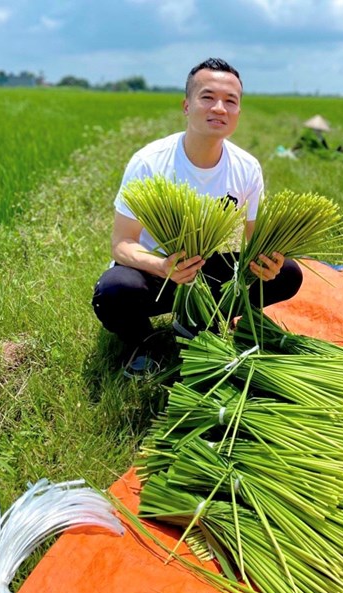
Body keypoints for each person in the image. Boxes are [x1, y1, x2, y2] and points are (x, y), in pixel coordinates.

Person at [91, 58, 303, 376]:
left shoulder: (246, 167)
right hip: (156, 272)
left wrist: (267, 262)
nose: (219, 107)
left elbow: (256, 240)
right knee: (114, 291)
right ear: (187, 106)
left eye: (230, 101)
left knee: (287, 273)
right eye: (208, 97)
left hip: (207, 266)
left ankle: (207, 320)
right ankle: (144, 343)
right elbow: (122, 244)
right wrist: (162, 266)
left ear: (238, 113)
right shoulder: (149, 162)